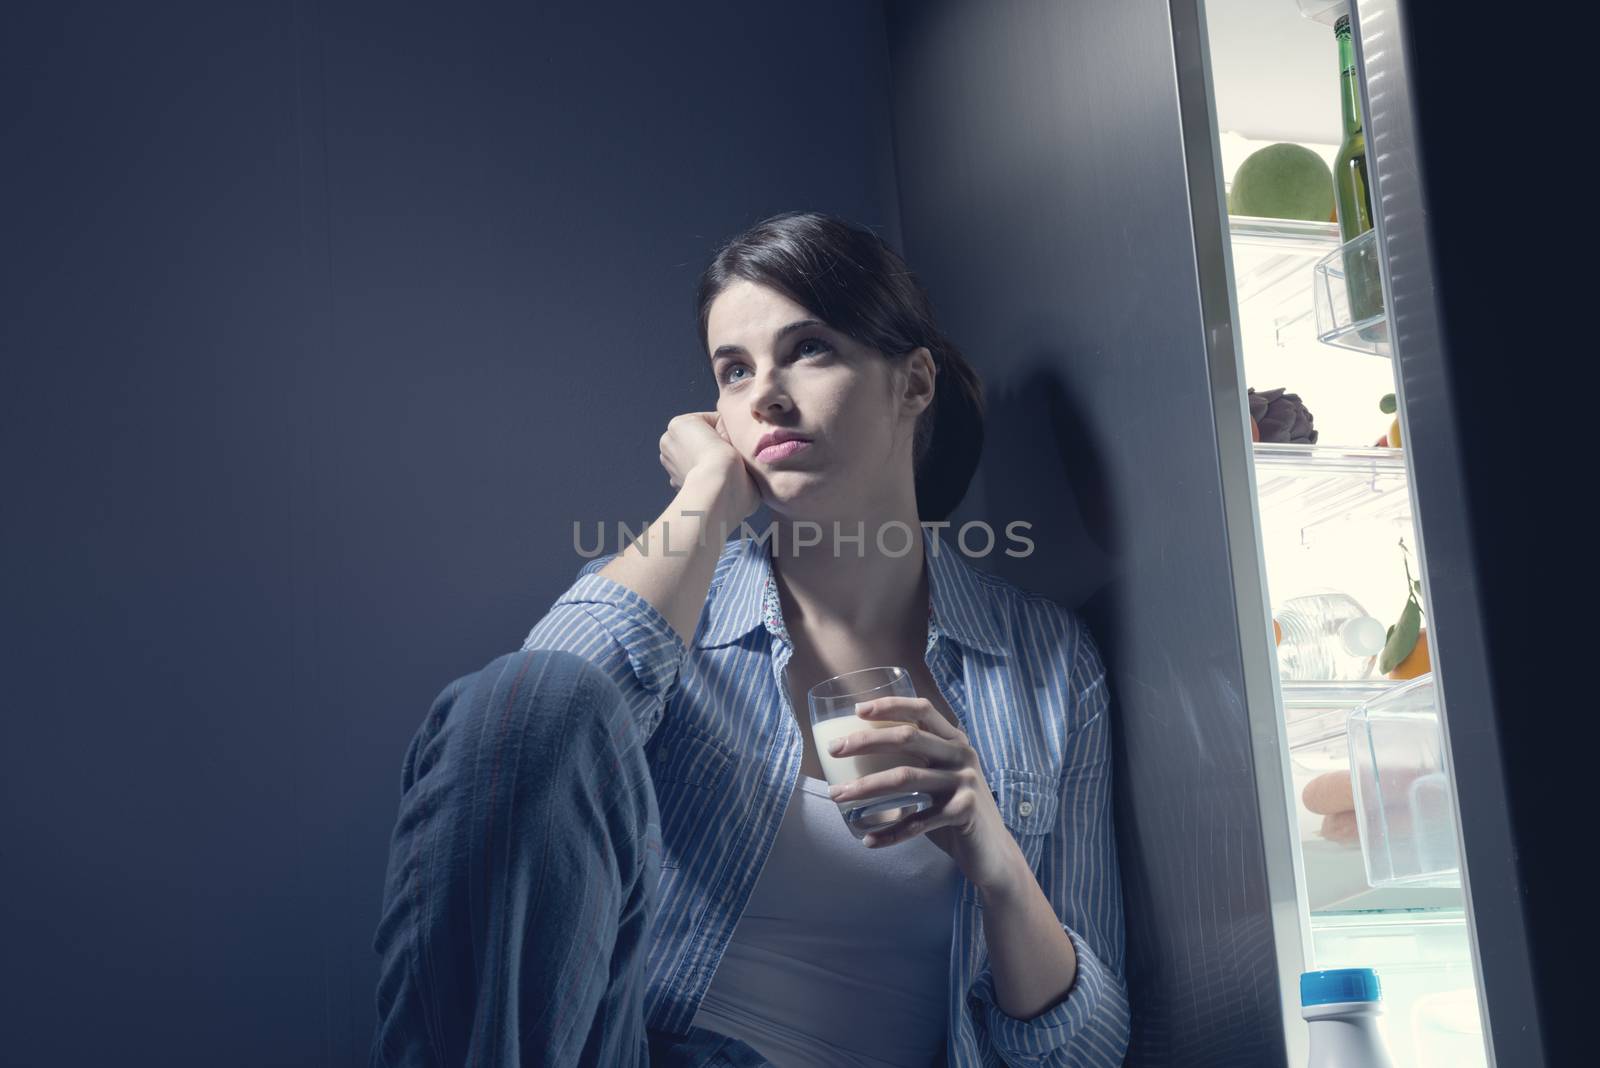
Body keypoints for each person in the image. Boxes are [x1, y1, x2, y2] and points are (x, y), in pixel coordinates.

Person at [369, 211, 1130, 1067]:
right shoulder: (671, 602)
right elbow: (513, 749)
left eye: (809, 349)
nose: (765, 393)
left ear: (914, 383)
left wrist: (998, 865)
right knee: (536, 697)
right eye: (734, 371)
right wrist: (706, 496)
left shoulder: (1045, 665)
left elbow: (1088, 1052)